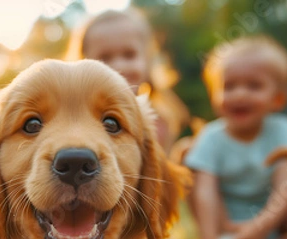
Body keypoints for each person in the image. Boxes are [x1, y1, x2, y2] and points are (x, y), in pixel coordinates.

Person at [185, 35, 287, 239]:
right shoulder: (211, 137)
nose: (239, 94)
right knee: (193, 178)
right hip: (225, 226)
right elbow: (205, 194)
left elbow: (286, 185)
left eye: (254, 86)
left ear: (278, 98)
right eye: (229, 86)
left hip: (272, 220)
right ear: (214, 95)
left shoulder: (284, 129)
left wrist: (261, 227)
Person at [66, 9, 192, 155]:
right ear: (83, 64)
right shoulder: (77, 123)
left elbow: (162, 172)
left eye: (129, 55)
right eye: (104, 58)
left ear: (147, 59)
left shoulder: (160, 121)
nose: (119, 67)